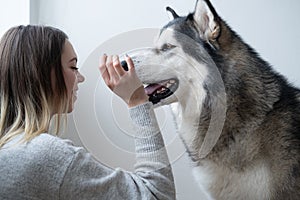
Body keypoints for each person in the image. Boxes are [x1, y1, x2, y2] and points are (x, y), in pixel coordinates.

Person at [0, 25, 175, 199]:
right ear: (42, 74)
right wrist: (137, 101)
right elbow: (157, 195)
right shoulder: (46, 156)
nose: (81, 78)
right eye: (73, 67)